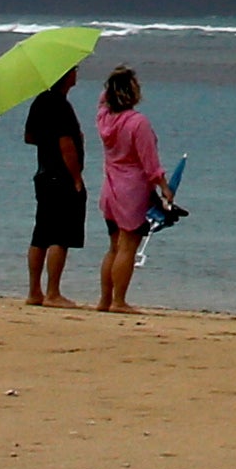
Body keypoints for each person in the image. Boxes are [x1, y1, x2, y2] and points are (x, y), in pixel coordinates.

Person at [94, 67, 167, 314]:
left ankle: (105, 299)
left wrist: (114, 78)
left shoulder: (104, 118)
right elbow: (151, 165)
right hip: (132, 191)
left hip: (111, 188)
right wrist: (165, 188)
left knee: (114, 246)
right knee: (127, 247)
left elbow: (103, 100)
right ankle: (119, 301)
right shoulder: (138, 123)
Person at [22, 61, 89, 307]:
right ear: (65, 76)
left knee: (41, 234)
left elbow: (29, 137)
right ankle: (53, 293)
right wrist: (76, 178)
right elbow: (66, 145)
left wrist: (47, 139)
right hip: (60, 176)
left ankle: (34, 292)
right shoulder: (60, 105)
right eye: (73, 70)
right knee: (59, 235)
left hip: (43, 174)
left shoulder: (40, 101)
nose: (76, 74)